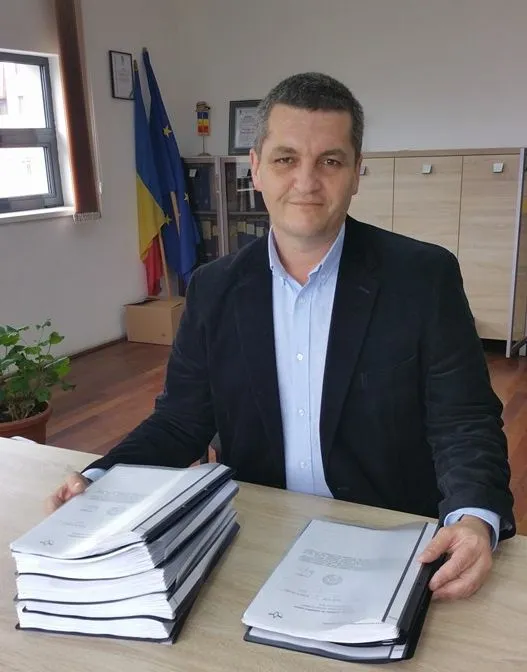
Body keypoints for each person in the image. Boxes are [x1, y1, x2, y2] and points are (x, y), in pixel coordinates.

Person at [46, 72, 515, 601]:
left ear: (356, 173)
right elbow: (181, 420)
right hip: (255, 531)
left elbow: (463, 420)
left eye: (330, 161)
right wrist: (101, 479)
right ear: (256, 169)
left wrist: (474, 517)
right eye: (286, 159)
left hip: (390, 536)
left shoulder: (423, 278)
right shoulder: (214, 288)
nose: (306, 182)